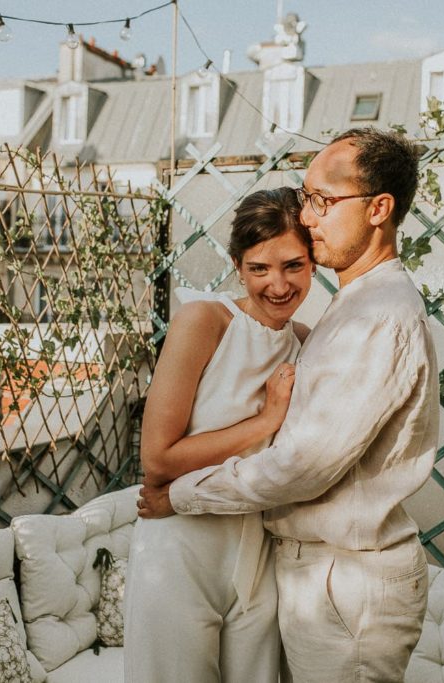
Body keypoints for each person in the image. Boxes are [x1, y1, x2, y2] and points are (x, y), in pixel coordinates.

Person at [139, 127, 440, 682]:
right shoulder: (346, 312)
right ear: (237, 265)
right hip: (299, 575)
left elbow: (301, 465)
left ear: (379, 208)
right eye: (306, 198)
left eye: (322, 200)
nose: (308, 215)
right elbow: (160, 453)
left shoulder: (377, 318)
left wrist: (180, 496)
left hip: (342, 586)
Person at [123, 187, 315, 682]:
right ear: (237, 265)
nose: (278, 284)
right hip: (181, 550)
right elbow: (159, 460)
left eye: (293, 265)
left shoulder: (307, 344)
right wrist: (264, 421)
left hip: (260, 551)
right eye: (259, 268)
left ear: (314, 263)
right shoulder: (204, 320)